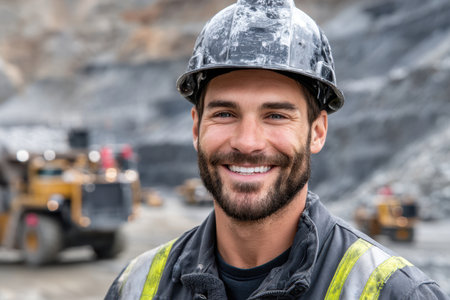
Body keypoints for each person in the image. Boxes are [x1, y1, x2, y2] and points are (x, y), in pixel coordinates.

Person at [105, 0, 448, 299]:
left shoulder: (397, 292)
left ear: (317, 132)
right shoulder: (134, 287)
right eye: (225, 113)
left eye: (276, 115)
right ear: (196, 128)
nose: (248, 142)